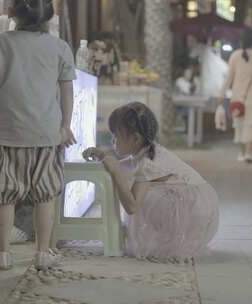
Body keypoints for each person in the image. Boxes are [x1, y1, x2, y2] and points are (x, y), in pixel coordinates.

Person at [0, 0, 77, 270]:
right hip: (47, 134)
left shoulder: (0, 43)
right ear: (49, 17)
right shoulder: (60, 47)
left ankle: (2, 253)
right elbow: (67, 91)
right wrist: (65, 126)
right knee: (45, 195)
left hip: (9, 132)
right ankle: (43, 252)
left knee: (4, 194)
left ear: (11, 14)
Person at [83, 102, 219, 262]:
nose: (113, 142)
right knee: (141, 190)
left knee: (142, 197)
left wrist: (115, 172)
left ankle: (164, 240)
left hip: (192, 206)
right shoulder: (147, 150)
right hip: (197, 200)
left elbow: (131, 207)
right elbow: (125, 165)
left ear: (135, 138)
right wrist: (102, 156)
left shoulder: (148, 163)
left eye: (116, 137)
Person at [218, 32, 252, 163]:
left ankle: (243, 153)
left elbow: (228, 78)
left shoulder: (235, 55)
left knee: (240, 125)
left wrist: (222, 94)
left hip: (238, 96)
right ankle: (249, 152)